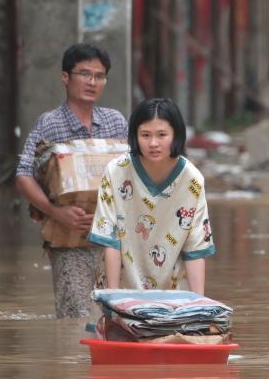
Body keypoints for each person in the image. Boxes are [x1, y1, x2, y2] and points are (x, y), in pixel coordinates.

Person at [15, 42, 128, 318]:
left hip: (113, 238)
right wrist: (56, 212)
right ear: (66, 77)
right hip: (69, 238)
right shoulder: (50, 124)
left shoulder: (115, 122)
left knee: (116, 313)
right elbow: (23, 175)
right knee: (75, 315)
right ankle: (70, 362)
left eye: (99, 76)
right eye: (85, 74)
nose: (92, 82)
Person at [89, 98, 215, 294]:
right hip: (119, 287)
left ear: (176, 135)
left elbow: (195, 248)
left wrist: (198, 305)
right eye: (145, 135)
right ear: (135, 136)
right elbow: (110, 239)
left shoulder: (192, 180)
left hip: (172, 295)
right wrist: (113, 299)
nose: (153, 143)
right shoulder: (116, 171)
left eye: (162, 135)